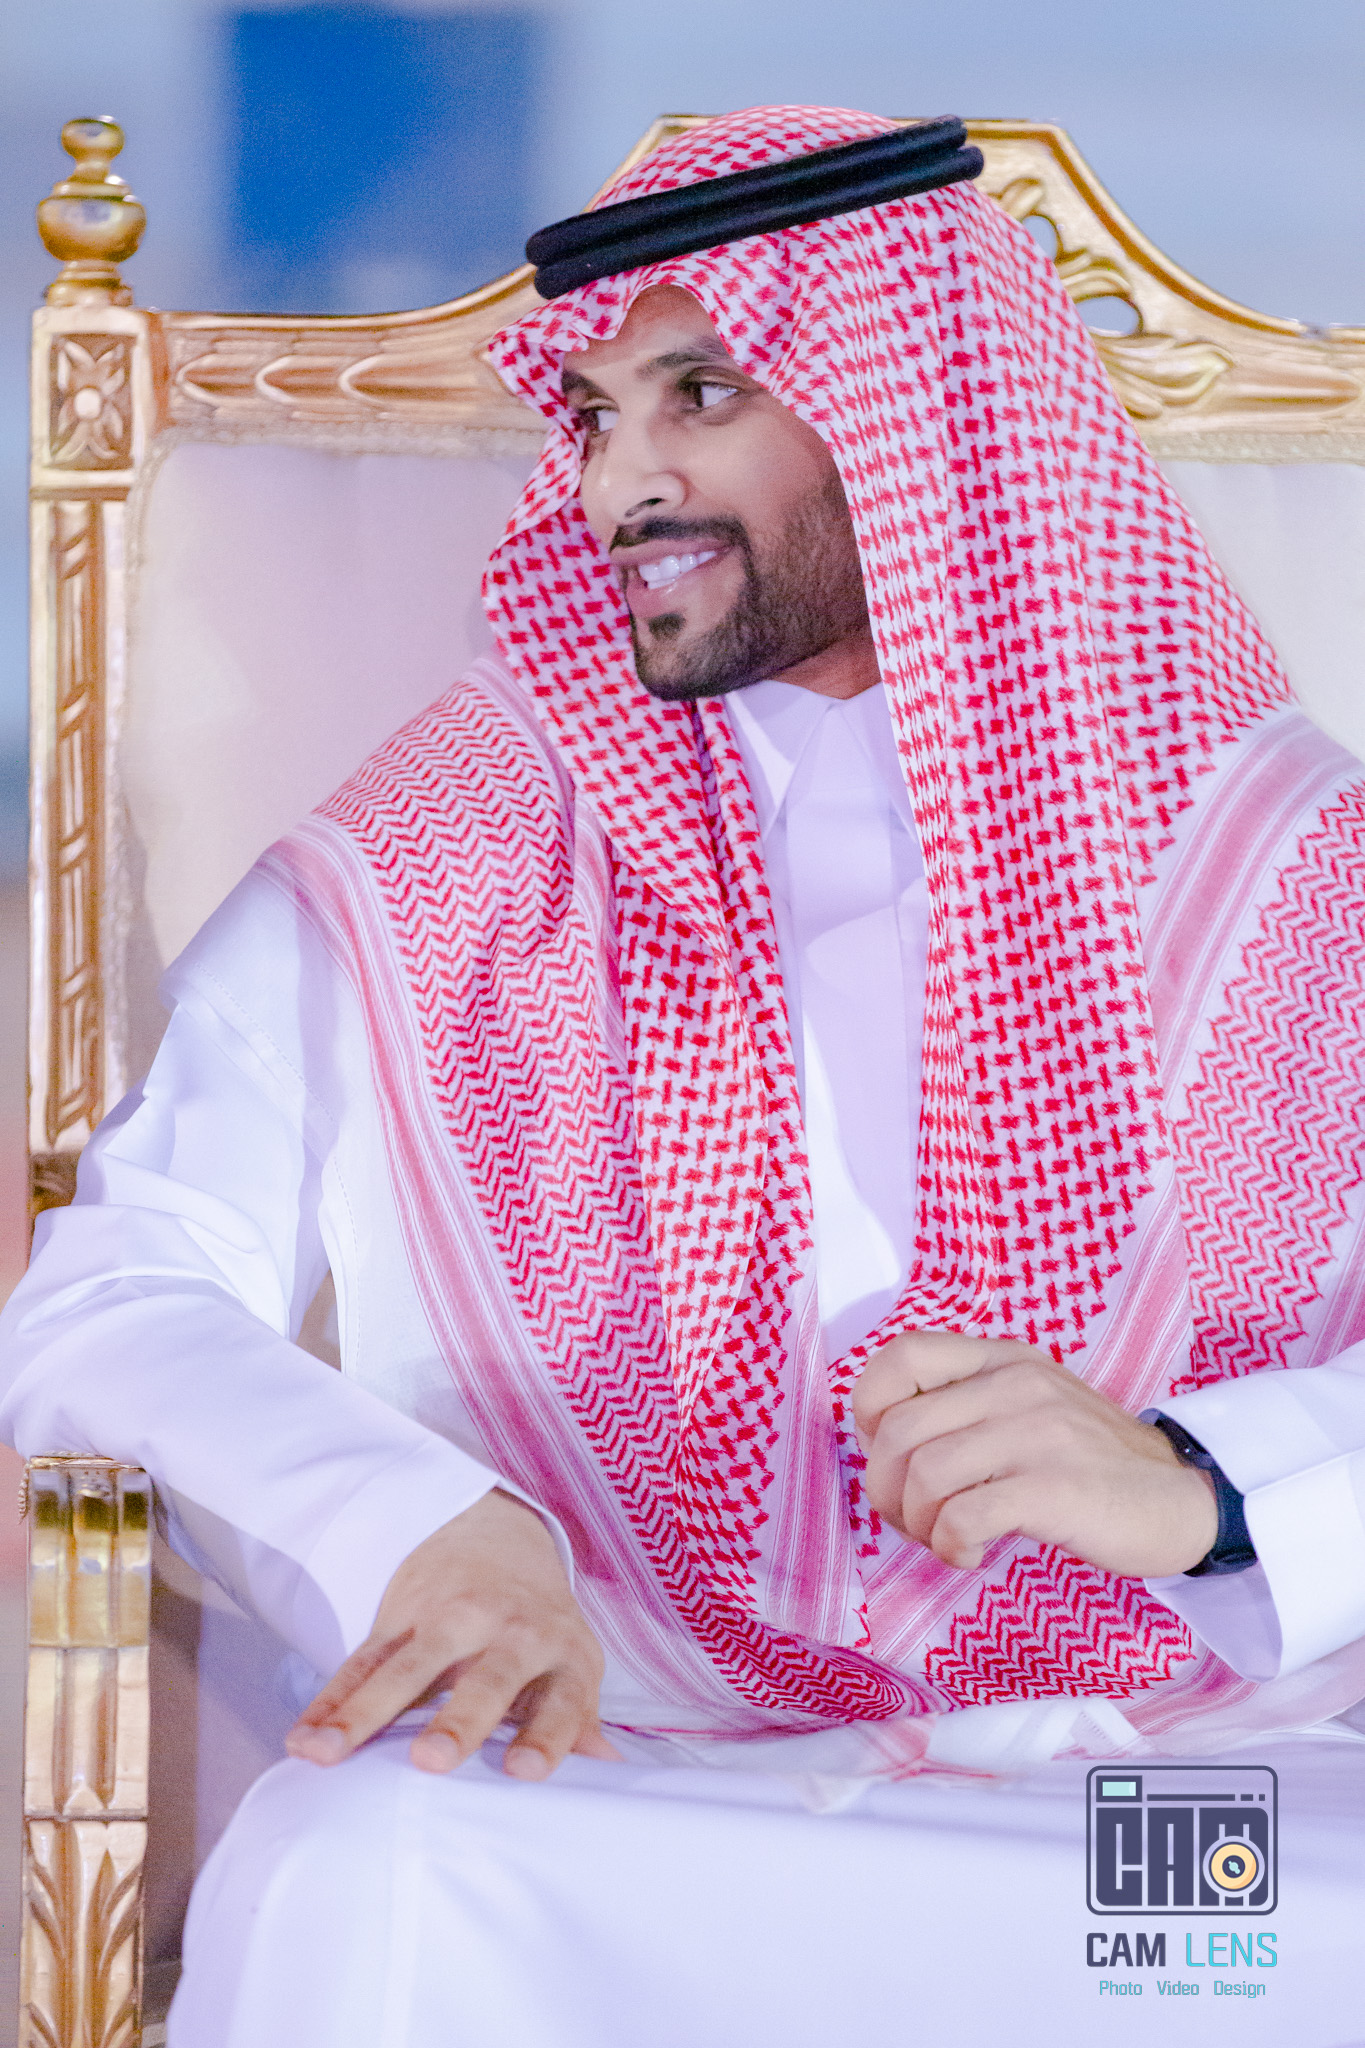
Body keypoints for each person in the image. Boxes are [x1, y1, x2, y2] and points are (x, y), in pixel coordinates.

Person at [5, 105, 1365, 2045]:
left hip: (1174, 1777)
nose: (617, 479)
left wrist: (1207, 1489)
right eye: (589, 416)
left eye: (699, 395)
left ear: (916, 410)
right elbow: (109, 1287)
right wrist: (410, 1524)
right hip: (640, 1772)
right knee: (369, 1869)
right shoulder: (465, 844)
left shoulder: (1288, 866)